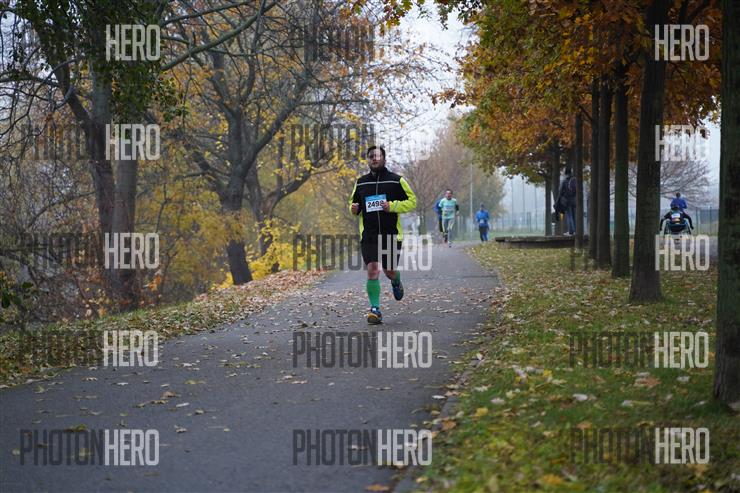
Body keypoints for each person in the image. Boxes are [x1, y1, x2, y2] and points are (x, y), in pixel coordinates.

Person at [349, 146, 417, 324]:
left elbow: (412, 201)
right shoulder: (361, 183)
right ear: (368, 160)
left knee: (389, 271)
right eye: (371, 156)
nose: (374, 159)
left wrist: (393, 206)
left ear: (384, 159)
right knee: (373, 270)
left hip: (391, 234)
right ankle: (375, 310)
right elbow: (354, 205)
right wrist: (353, 209)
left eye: (378, 156)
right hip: (369, 235)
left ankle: (396, 281)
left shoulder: (396, 181)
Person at [557, 167, 577, 235]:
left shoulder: (564, 181)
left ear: (565, 173)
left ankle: (571, 231)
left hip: (567, 201)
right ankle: (575, 230)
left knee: (569, 216)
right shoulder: (575, 180)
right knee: (574, 216)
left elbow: (560, 191)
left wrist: (560, 199)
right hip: (574, 200)